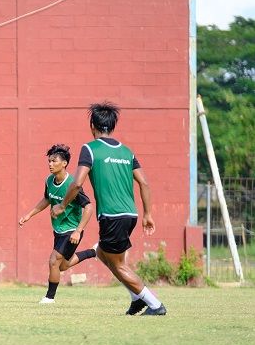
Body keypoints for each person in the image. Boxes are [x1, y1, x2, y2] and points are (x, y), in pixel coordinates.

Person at [51, 102, 166, 316]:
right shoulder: (126, 151)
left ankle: (154, 304)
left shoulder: (90, 149)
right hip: (130, 214)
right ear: (112, 126)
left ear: (93, 125)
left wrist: (62, 205)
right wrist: (148, 214)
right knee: (103, 254)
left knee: (119, 265)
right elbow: (144, 183)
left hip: (112, 216)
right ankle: (136, 299)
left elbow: (76, 184)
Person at [19, 144, 97, 304]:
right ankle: (93, 252)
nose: (50, 164)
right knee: (62, 266)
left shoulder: (73, 185)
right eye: (49, 161)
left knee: (53, 261)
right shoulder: (49, 180)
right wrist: (29, 215)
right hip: (58, 230)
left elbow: (88, 208)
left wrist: (78, 231)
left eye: (54, 161)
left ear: (64, 163)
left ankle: (49, 298)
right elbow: (47, 199)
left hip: (72, 230)